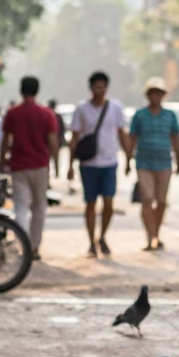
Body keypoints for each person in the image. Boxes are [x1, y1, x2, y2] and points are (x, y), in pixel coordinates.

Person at [68, 71, 130, 257]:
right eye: (97, 87)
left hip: (109, 162)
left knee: (109, 203)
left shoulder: (115, 108)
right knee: (90, 203)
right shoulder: (82, 110)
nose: (100, 90)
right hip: (88, 164)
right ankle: (91, 241)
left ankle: (102, 236)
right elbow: (74, 138)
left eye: (103, 87)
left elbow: (122, 134)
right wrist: (70, 165)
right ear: (91, 88)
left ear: (107, 88)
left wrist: (128, 158)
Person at [2, 76, 59, 260]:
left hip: (18, 165)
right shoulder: (46, 113)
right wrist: (56, 165)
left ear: (21, 90)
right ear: (37, 90)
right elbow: (52, 141)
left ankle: (23, 245)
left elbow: (6, 141)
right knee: (39, 207)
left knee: (20, 207)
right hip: (40, 166)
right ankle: (34, 247)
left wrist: (0, 163)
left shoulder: (13, 113)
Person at [129, 77, 179, 251]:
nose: (156, 97)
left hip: (164, 163)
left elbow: (175, 138)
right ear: (149, 95)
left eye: (159, 94)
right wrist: (128, 159)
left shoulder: (170, 116)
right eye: (153, 94)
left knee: (161, 202)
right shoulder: (140, 115)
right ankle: (150, 236)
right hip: (144, 163)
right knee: (147, 199)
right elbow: (133, 138)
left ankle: (156, 234)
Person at [47, 98, 66, 181]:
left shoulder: (53, 116)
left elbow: (62, 129)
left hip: (52, 141)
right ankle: (54, 173)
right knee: (54, 158)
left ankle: (55, 173)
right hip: (54, 141)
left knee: (51, 159)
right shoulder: (55, 116)